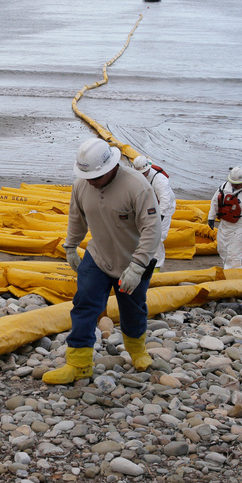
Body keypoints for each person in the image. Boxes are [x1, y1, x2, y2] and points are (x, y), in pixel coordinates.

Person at [44, 138, 162, 385]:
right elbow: (77, 218)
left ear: (111, 168)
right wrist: (71, 247)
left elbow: (152, 229)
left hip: (133, 261)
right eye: (87, 177)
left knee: (133, 308)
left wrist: (138, 266)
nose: (91, 182)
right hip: (98, 256)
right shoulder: (82, 185)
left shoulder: (137, 187)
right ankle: (78, 364)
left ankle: (137, 350)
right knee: (84, 304)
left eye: (96, 177)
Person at [207, 166, 242, 269]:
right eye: (232, 183)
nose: (234, 185)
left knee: (234, 255)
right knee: (222, 250)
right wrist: (211, 217)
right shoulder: (224, 187)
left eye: (237, 184)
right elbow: (215, 201)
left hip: (241, 227)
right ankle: (228, 270)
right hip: (225, 225)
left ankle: (233, 276)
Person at [132, 155, 175, 270]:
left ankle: (157, 265)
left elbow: (165, 199)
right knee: (142, 233)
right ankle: (144, 259)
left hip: (164, 208)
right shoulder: (138, 175)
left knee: (158, 236)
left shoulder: (159, 180)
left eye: (143, 173)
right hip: (150, 205)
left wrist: (160, 216)